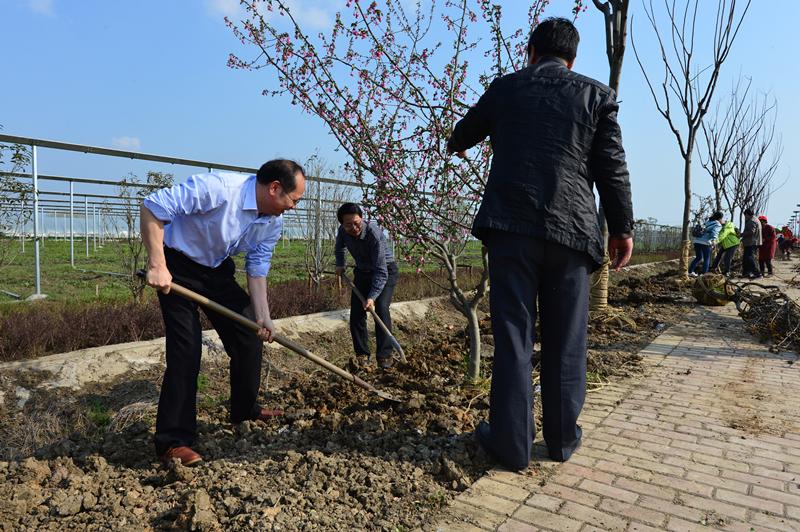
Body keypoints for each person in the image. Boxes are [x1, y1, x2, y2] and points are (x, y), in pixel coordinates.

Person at [446, 17, 634, 470]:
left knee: (514, 335)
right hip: (572, 233)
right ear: (572, 58)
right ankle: (562, 440)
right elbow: (612, 168)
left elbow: (462, 135)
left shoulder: (506, 88)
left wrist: (462, 142)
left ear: (530, 52)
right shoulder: (596, 96)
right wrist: (622, 228)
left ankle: (511, 446)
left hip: (512, 230)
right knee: (566, 338)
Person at [141, 159, 306, 466]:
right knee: (186, 350)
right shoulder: (218, 189)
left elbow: (257, 266)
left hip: (216, 270)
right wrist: (157, 264)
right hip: (177, 267)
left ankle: (245, 411)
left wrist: (262, 315)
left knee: (249, 334)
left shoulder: (272, 221)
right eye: (293, 200)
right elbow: (153, 206)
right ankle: (172, 441)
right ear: (274, 188)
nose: (293, 207)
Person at [334, 203, 399, 369]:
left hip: (385, 271)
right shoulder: (343, 231)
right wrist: (340, 264)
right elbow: (339, 247)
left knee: (381, 308)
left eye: (356, 223)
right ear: (342, 224)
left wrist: (372, 297)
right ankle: (362, 356)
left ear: (362, 219)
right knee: (357, 314)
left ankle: (385, 356)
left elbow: (381, 272)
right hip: (362, 272)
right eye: (348, 224)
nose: (354, 228)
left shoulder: (373, 235)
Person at [688, 211, 723, 277]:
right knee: (707, 258)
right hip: (705, 242)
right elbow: (714, 232)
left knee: (698, 257)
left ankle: (690, 271)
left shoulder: (707, 222)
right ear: (720, 218)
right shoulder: (717, 224)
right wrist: (714, 240)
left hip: (697, 241)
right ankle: (703, 274)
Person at [740, 208, 762, 278]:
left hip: (751, 243)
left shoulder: (751, 221)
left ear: (747, 214)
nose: (745, 217)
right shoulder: (756, 219)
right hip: (752, 242)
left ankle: (757, 273)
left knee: (750, 258)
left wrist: (741, 234)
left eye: (745, 215)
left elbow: (751, 232)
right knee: (746, 258)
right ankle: (746, 273)